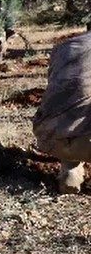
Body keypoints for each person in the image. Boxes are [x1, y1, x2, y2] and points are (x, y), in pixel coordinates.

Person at [33, 32, 91, 194]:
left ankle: (69, 170)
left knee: (70, 113)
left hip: (50, 137)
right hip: (86, 140)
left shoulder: (64, 47)